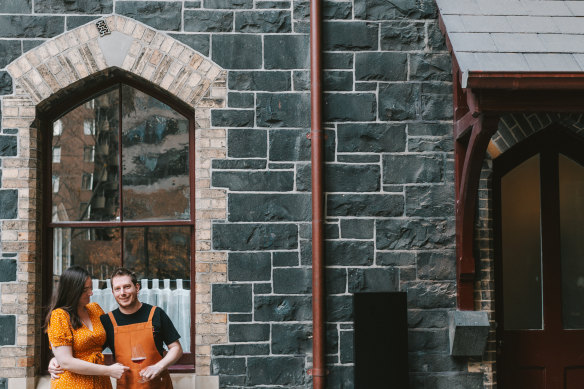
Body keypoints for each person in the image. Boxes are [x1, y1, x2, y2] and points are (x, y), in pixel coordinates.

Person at [50, 267, 183, 388]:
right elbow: (88, 347)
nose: (122, 293)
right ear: (113, 292)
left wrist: (158, 367)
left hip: (157, 384)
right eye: (117, 289)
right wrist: (58, 358)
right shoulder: (107, 321)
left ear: (136, 288)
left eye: (127, 287)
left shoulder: (156, 314)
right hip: (126, 385)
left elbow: (176, 348)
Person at [45, 266, 129, 389]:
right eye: (85, 289)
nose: (91, 293)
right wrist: (108, 370)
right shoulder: (59, 316)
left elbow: (108, 340)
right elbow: (66, 361)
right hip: (73, 383)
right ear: (72, 291)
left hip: (100, 382)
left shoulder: (95, 309)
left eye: (91, 288)